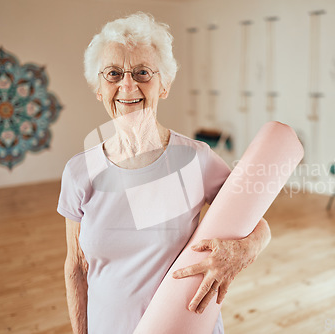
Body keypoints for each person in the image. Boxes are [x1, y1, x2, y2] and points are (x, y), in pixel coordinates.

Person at [57, 12, 271, 334]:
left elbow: (260, 225)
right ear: (99, 88)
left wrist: (243, 250)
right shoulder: (78, 172)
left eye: (143, 72)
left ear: (164, 84)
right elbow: (75, 267)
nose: (128, 85)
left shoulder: (197, 159)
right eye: (113, 74)